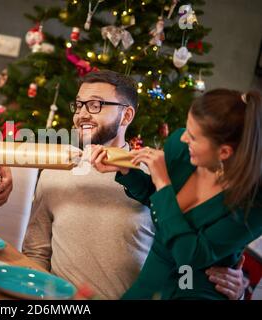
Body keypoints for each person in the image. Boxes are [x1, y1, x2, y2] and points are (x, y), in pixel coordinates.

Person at [22, 71, 244, 299]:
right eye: (79, 105)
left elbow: (187, 250)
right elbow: (36, 250)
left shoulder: (156, 175)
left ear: (126, 116)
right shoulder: (54, 171)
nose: (82, 114)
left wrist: (231, 282)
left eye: (95, 105)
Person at [91, 88, 262, 299]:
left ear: (224, 152)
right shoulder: (181, 150)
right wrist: (127, 171)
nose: (183, 138)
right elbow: (160, 203)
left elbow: (189, 256)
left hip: (194, 289)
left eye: (193, 136)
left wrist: (163, 181)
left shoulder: (253, 204)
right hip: (153, 277)